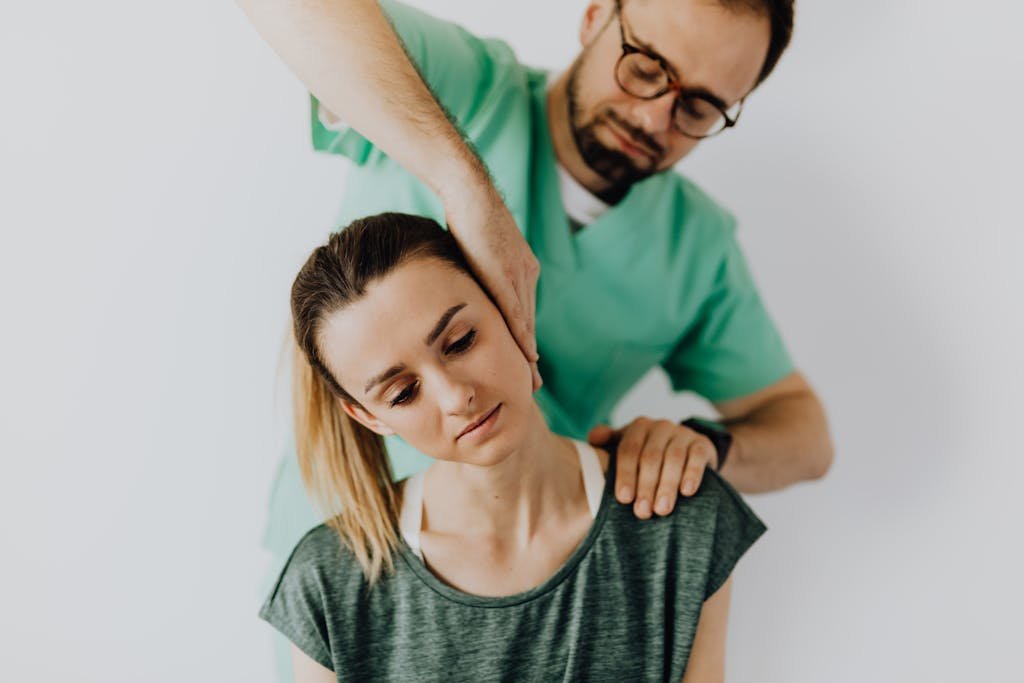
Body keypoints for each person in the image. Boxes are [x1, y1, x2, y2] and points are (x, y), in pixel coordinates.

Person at [262, 212, 766, 681]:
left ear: (510, 307)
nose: (456, 396)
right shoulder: (326, 582)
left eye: (460, 342)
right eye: (403, 393)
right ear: (369, 416)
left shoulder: (682, 523)